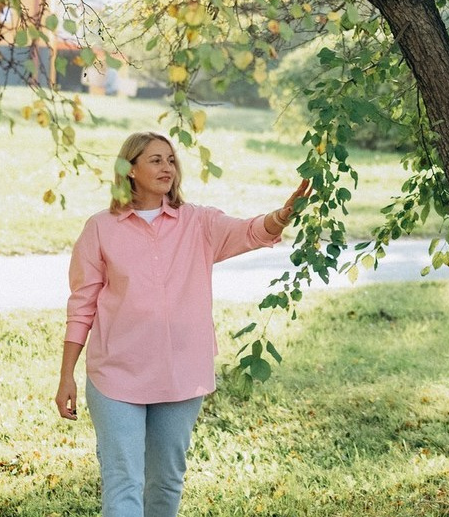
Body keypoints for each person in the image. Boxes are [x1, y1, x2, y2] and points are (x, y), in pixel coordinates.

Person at [55, 129, 308, 517]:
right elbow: (82, 306)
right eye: (155, 160)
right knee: (123, 482)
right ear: (130, 169)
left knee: (166, 481)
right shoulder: (100, 228)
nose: (167, 168)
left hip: (181, 373)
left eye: (171, 160)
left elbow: (251, 232)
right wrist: (66, 375)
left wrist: (281, 216)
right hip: (116, 375)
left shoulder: (199, 222)